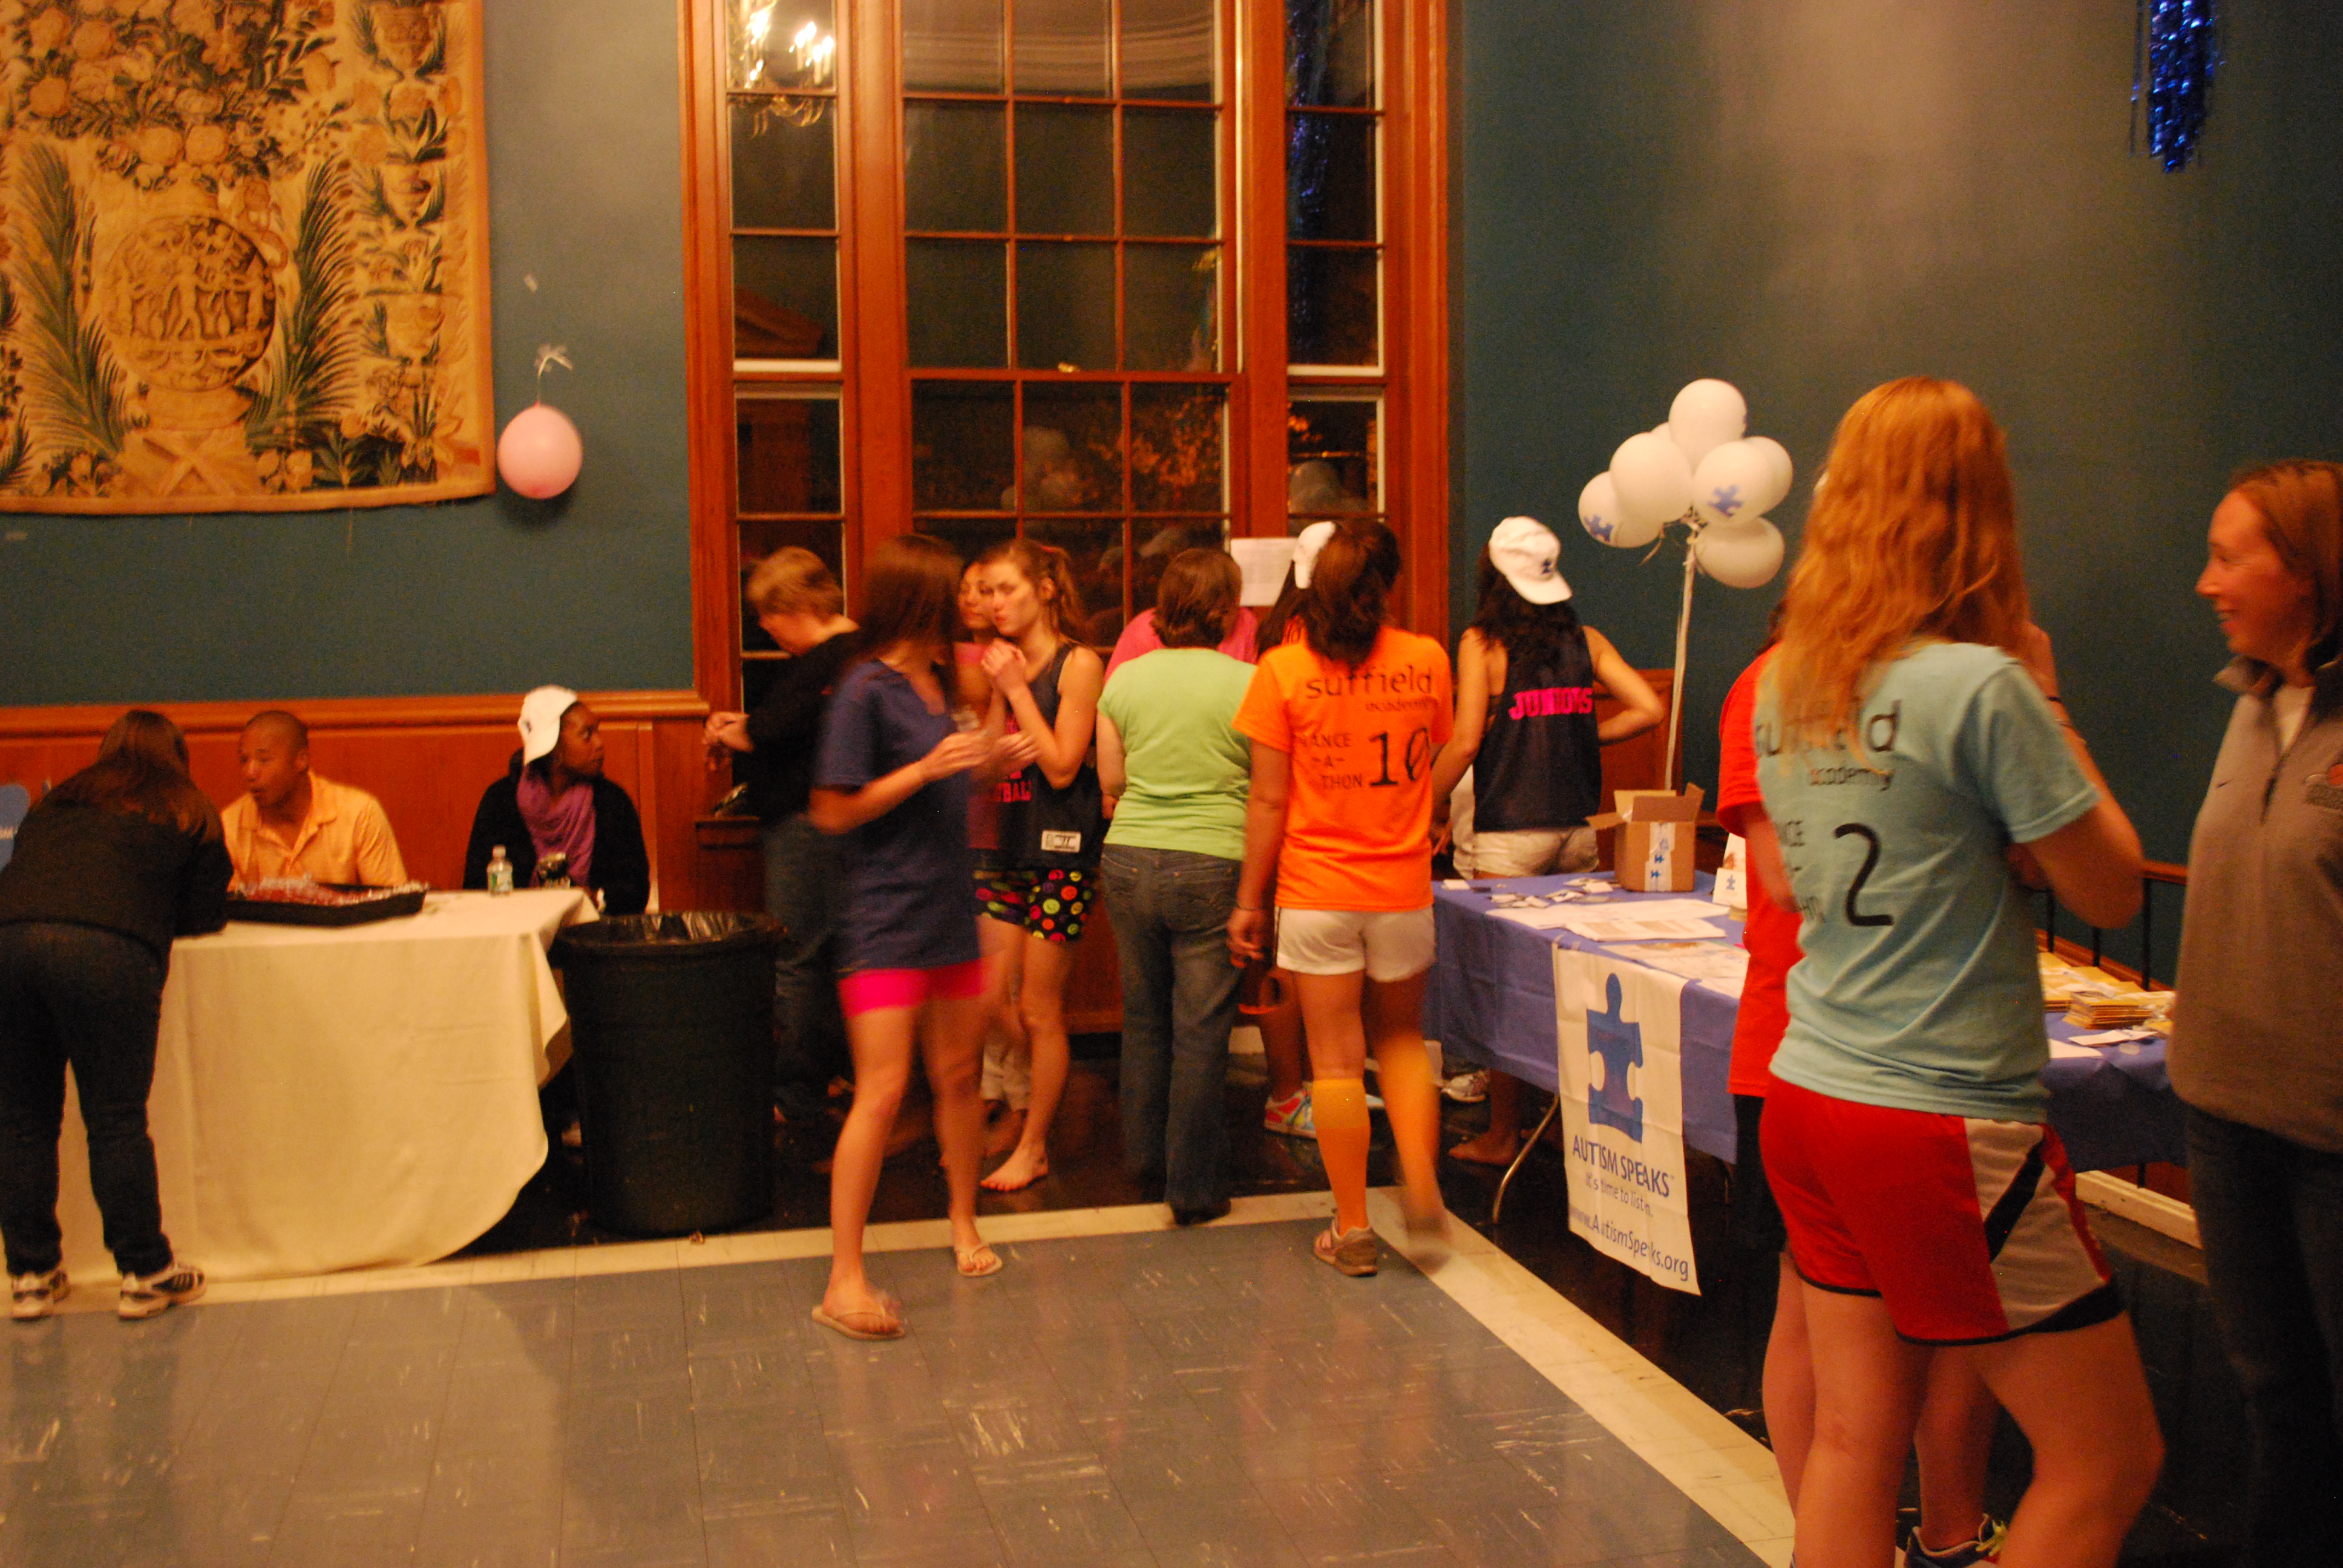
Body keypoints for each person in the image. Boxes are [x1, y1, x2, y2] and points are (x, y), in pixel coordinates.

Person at [1751, 377, 2160, 1568]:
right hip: (1935, 1115)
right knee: (2106, 1461)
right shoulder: (1982, 687)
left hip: (1811, 1090)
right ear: (1973, 509)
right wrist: (2044, 688)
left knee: (1851, 1439)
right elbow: (2111, 888)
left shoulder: (1787, 682)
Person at [1720, 628, 2007, 1568]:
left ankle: (1944, 1533)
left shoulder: (1951, 677)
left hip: (1911, 1054)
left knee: (1944, 1308)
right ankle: (1846, 1537)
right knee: (1822, 1314)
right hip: (1817, 1046)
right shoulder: (1780, 683)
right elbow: (1785, 878)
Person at [2170, 460, 2343, 1568]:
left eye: (2229, 557)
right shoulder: (2249, 704)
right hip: (2225, 1117)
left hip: (2332, 1139)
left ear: (2308, 568)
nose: (2205, 584)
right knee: (2274, 1392)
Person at [807, 534, 1031, 1339]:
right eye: (957, 592)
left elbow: (954, 776)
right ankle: (844, 1279)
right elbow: (832, 811)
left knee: (961, 1078)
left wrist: (988, 758)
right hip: (882, 916)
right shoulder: (863, 690)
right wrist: (925, 771)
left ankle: (963, 1222)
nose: (970, 605)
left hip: (949, 911)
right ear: (921, 598)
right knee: (882, 1090)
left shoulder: (939, 679)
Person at [1229, 522, 1452, 1275]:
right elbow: (1433, 754)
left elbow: (1267, 800)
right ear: (1387, 585)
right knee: (1401, 1042)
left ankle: (1352, 1226)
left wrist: (1248, 900)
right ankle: (1421, 1186)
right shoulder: (1426, 659)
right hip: (1402, 887)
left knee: (1332, 1063)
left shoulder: (1281, 670)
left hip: (1317, 890)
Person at [1426, 516, 1665, 1166]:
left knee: (1506, 986)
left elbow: (1466, 741)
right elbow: (1649, 708)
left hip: (1508, 835)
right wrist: (1587, 735)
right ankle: (1562, 1127)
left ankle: (1504, 1133)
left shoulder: (1481, 644)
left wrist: (1425, 802)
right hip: (1575, 833)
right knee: (1569, 985)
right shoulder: (1587, 640)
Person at [0, 711, 223, 1321]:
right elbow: (206, 915)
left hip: (9, 941)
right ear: (179, 755)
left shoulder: (57, 801)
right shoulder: (189, 809)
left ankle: (30, 1275)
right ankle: (145, 1270)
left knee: (22, 1120)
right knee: (116, 1120)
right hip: (109, 950)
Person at [1097, 549, 1254, 1224]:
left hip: (1129, 857)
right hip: (1214, 858)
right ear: (1224, 611)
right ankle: (1192, 1187)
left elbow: (1110, 780)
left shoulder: (1124, 681)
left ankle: (1144, 1160)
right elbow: (1270, 784)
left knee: (1143, 1018)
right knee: (1200, 1029)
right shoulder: (1250, 682)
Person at [704, 549, 860, 1120]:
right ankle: (835, 1074)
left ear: (797, 607)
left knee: (797, 956)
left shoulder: (830, 660)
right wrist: (741, 729)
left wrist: (736, 733)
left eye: (769, 614)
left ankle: (797, 1093)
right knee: (831, 952)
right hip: (822, 825)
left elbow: (773, 731)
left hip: (805, 826)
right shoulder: (846, 658)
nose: (764, 626)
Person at [972, 539, 1106, 1193]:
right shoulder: (1004, 663)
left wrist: (1015, 689)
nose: (995, 603)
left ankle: (1035, 1144)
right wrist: (990, 744)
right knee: (988, 998)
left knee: (1038, 1009)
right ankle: (1045, 1096)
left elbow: (1060, 765)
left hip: (1061, 853)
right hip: (1002, 844)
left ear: (1045, 590)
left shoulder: (1078, 663)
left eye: (1007, 589)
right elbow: (991, 761)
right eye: (988, 591)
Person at [466, 688, 650, 915]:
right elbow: (475, 886)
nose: (600, 743)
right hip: (517, 927)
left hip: (595, 931)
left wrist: (596, 898)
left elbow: (636, 890)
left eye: (597, 732)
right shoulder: (500, 801)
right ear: (554, 750)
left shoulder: (612, 802)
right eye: (587, 735)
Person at [222, 710, 407, 886]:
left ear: (301, 760)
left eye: (264, 760)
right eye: (244, 760)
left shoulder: (359, 814)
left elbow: (391, 901)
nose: (250, 773)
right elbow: (225, 905)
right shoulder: (230, 824)